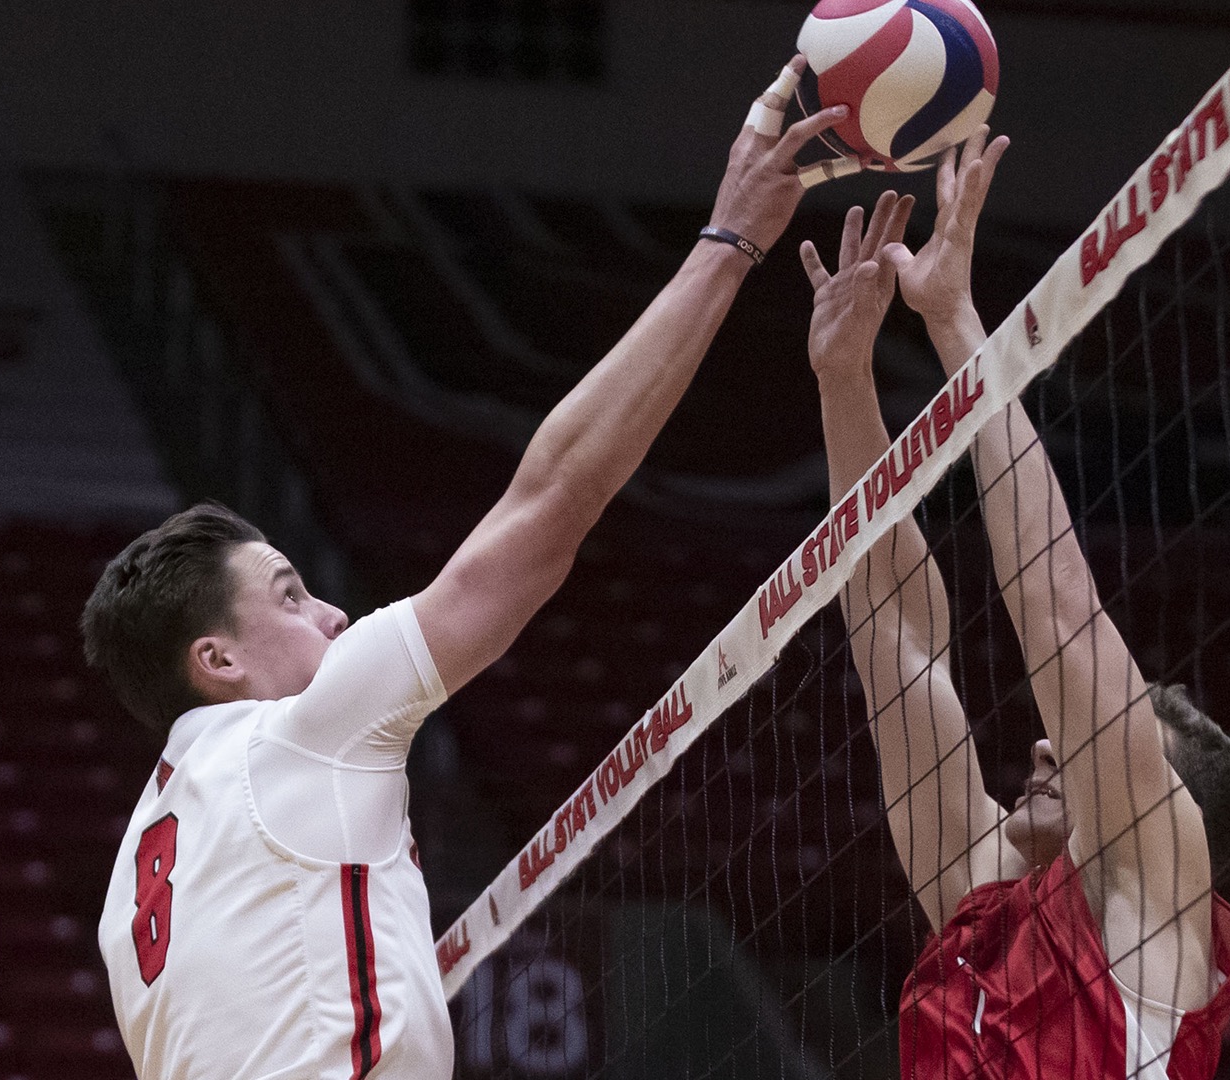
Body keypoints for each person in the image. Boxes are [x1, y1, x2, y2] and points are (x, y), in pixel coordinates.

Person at [80, 58, 848, 1080]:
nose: (333, 613)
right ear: (215, 659)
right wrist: (730, 241)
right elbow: (551, 501)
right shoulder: (299, 737)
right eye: (291, 596)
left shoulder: (138, 873)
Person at [799, 129, 1230, 1080]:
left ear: (1161, 815)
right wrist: (845, 382)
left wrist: (956, 326)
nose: (1049, 743)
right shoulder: (983, 898)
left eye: (1100, 745)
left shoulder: (1150, 914)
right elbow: (894, 639)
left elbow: (1060, 612)